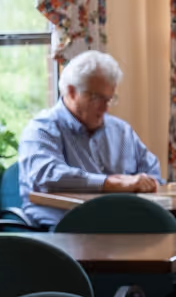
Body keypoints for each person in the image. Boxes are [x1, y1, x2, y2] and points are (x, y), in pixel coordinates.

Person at [18, 50, 163, 228]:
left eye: (110, 99)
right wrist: (108, 184)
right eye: (96, 98)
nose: (105, 108)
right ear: (71, 92)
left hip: (122, 227)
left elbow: (151, 172)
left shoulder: (122, 131)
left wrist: (145, 184)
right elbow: (46, 175)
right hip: (66, 231)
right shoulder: (41, 129)